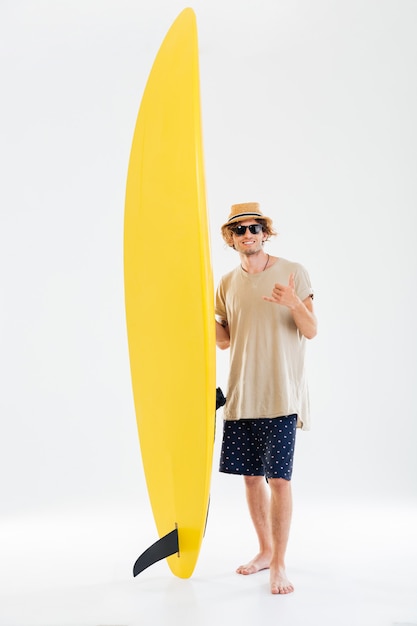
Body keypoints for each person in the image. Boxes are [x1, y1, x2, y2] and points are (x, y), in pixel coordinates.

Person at [215, 202, 317, 595]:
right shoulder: (226, 283)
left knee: (279, 480)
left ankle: (279, 564)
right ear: (232, 238)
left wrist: (293, 302)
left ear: (265, 232)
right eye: (240, 230)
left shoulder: (293, 272)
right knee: (252, 478)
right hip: (242, 395)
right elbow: (224, 341)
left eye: (255, 227)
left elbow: (311, 330)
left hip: (280, 395)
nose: (248, 234)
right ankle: (263, 551)